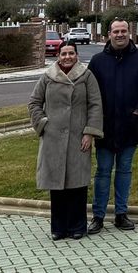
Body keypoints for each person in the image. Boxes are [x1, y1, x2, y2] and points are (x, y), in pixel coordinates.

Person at [86, 18, 138, 233]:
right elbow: (89, 92)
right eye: (116, 31)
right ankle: (98, 216)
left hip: (130, 125)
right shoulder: (98, 61)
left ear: (129, 33)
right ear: (109, 34)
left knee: (124, 170)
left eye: (123, 31)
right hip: (105, 127)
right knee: (103, 171)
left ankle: (121, 214)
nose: (120, 35)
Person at [28, 41, 103, 241]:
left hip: (78, 138)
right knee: (57, 185)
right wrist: (42, 123)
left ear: (76, 55)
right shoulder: (48, 77)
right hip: (53, 138)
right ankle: (58, 228)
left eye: (71, 53)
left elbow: (95, 105)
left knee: (77, 184)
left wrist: (90, 132)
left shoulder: (86, 76)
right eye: (64, 54)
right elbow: (34, 102)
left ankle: (78, 226)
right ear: (58, 56)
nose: (67, 57)